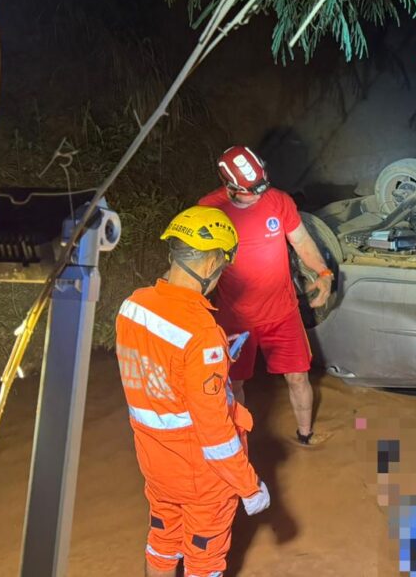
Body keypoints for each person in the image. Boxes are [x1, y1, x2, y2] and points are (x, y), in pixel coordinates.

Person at [115, 205, 271, 577]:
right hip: (201, 477)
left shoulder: (132, 307)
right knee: (205, 561)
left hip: (155, 465)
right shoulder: (202, 335)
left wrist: (214, 359)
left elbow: (158, 368)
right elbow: (216, 435)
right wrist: (249, 487)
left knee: (162, 544)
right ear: (212, 262)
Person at [199, 145, 333, 446]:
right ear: (229, 186)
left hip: (282, 313)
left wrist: (324, 273)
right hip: (235, 319)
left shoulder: (279, 202)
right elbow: (196, 264)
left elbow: (302, 242)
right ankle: (238, 448)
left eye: (262, 186)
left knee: (298, 377)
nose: (260, 195)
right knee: (233, 383)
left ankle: (305, 437)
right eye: (251, 191)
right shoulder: (208, 210)